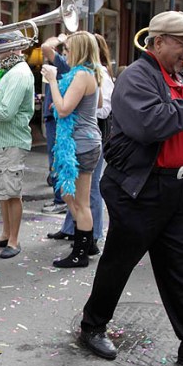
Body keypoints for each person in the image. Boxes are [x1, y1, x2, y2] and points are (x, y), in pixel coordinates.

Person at [79, 11, 183, 366]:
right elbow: (150, 125)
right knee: (119, 263)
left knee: (182, 272)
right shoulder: (136, 76)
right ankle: (92, 326)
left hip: (179, 187)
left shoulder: (181, 77)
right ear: (158, 42)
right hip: (140, 189)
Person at [46, 33, 114, 249]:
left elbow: (63, 110)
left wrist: (52, 80)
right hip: (83, 141)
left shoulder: (83, 75)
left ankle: (82, 250)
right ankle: (86, 241)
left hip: (83, 144)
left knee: (81, 202)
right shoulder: (87, 73)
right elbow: (97, 102)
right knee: (68, 195)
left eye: (68, 49)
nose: (65, 54)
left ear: (79, 50)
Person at [0, 31, 35, 259]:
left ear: (13, 47)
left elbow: (5, 112)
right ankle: (5, 234)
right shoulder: (7, 71)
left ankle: (14, 240)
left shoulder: (19, 73)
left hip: (11, 141)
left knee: (12, 193)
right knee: (3, 192)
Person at [40, 34, 70, 216]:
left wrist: (60, 37)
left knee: (56, 159)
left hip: (55, 118)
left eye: (66, 50)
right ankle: (59, 198)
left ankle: (60, 200)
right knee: (55, 159)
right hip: (52, 116)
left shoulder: (64, 64)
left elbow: (45, 47)